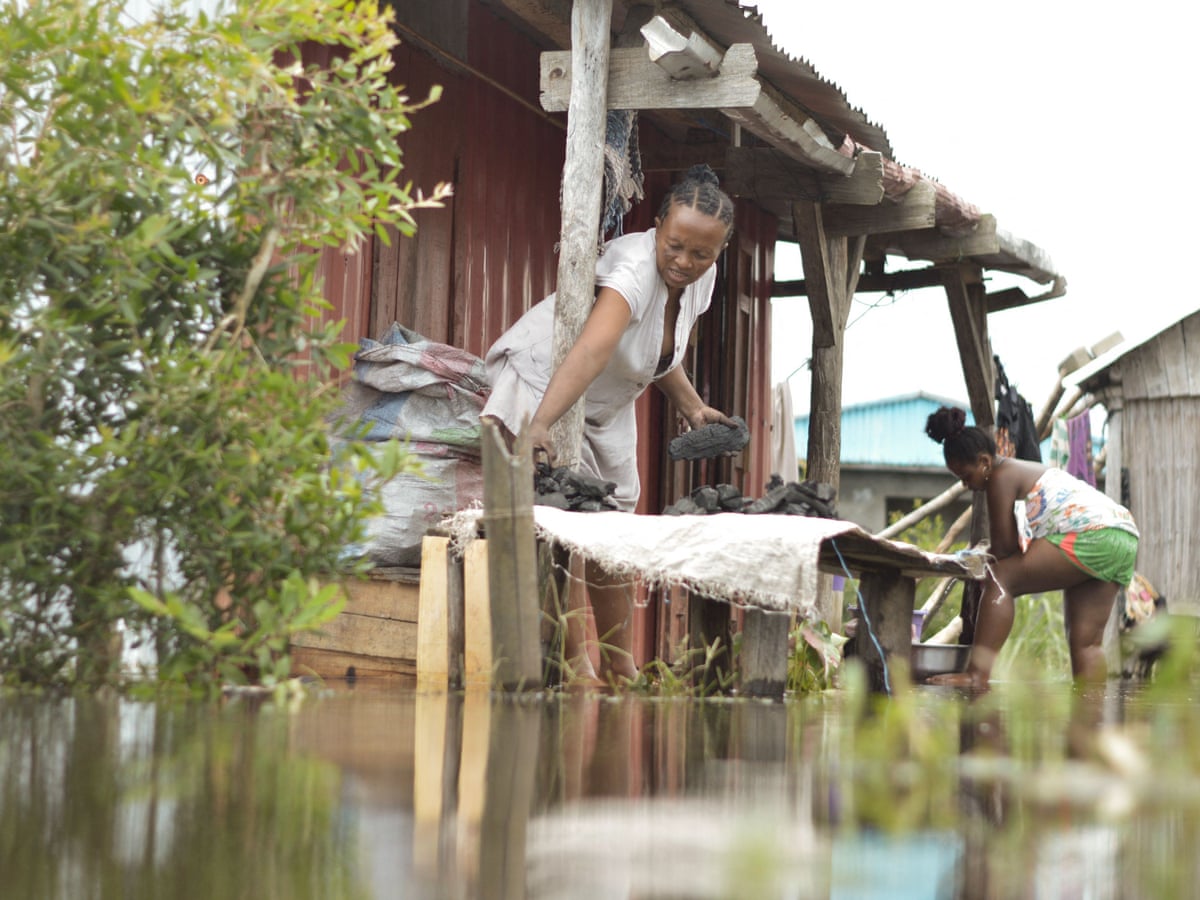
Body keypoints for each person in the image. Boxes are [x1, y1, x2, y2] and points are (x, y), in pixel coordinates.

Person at [481, 164, 738, 685]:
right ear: (658, 225)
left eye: (701, 253)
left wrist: (692, 407)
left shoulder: (700, 279)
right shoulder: (632, 270)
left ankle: (622, 667)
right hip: (546, 383)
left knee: (612, 536)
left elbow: (651, 352)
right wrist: (540, 424)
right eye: (674, 246)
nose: (684, 261)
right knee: (564, 523)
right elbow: (595, 348)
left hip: (606, 405)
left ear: (719, 251)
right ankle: (577, 671)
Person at [924, 406, 1139, 688]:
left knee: (1001, 578)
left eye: (966, 476)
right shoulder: (1022, 471)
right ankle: (1090, 715)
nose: (966, 485)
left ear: (985, 462)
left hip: (1092, 534)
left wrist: (983, 558)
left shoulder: (1000, 477)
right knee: (1086, 644)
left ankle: (977, 674)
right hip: (1122, 535)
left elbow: (1004, 551)